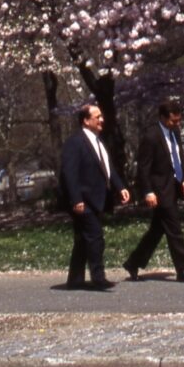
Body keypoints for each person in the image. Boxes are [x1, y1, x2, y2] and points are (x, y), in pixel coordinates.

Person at [122, 99, 184, 283]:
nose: (176, 124)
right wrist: (147, 191)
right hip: (159, 189)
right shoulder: (151, 136)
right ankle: (182, 269)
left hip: (173, 186)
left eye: (178, 121)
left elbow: (178, 156)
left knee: (157, 230)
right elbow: (144, 168)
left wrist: (183, 178)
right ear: (163, 118)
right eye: (173, 121)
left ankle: (133, 262)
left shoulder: (175, 132)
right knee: (174, 228)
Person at [59, 103, 130, 290]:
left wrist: (119, 187)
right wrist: (76, 199)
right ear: (86, 120)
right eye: (97, 117)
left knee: (84, 239)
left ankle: (75, 280)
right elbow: (69, 173)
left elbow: (107, 168)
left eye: (101, 116)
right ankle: (98, 278)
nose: (102, 120)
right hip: (83, 200)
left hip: (97, 199)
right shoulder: (75, 142)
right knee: (95, 237)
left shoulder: (99, 141)